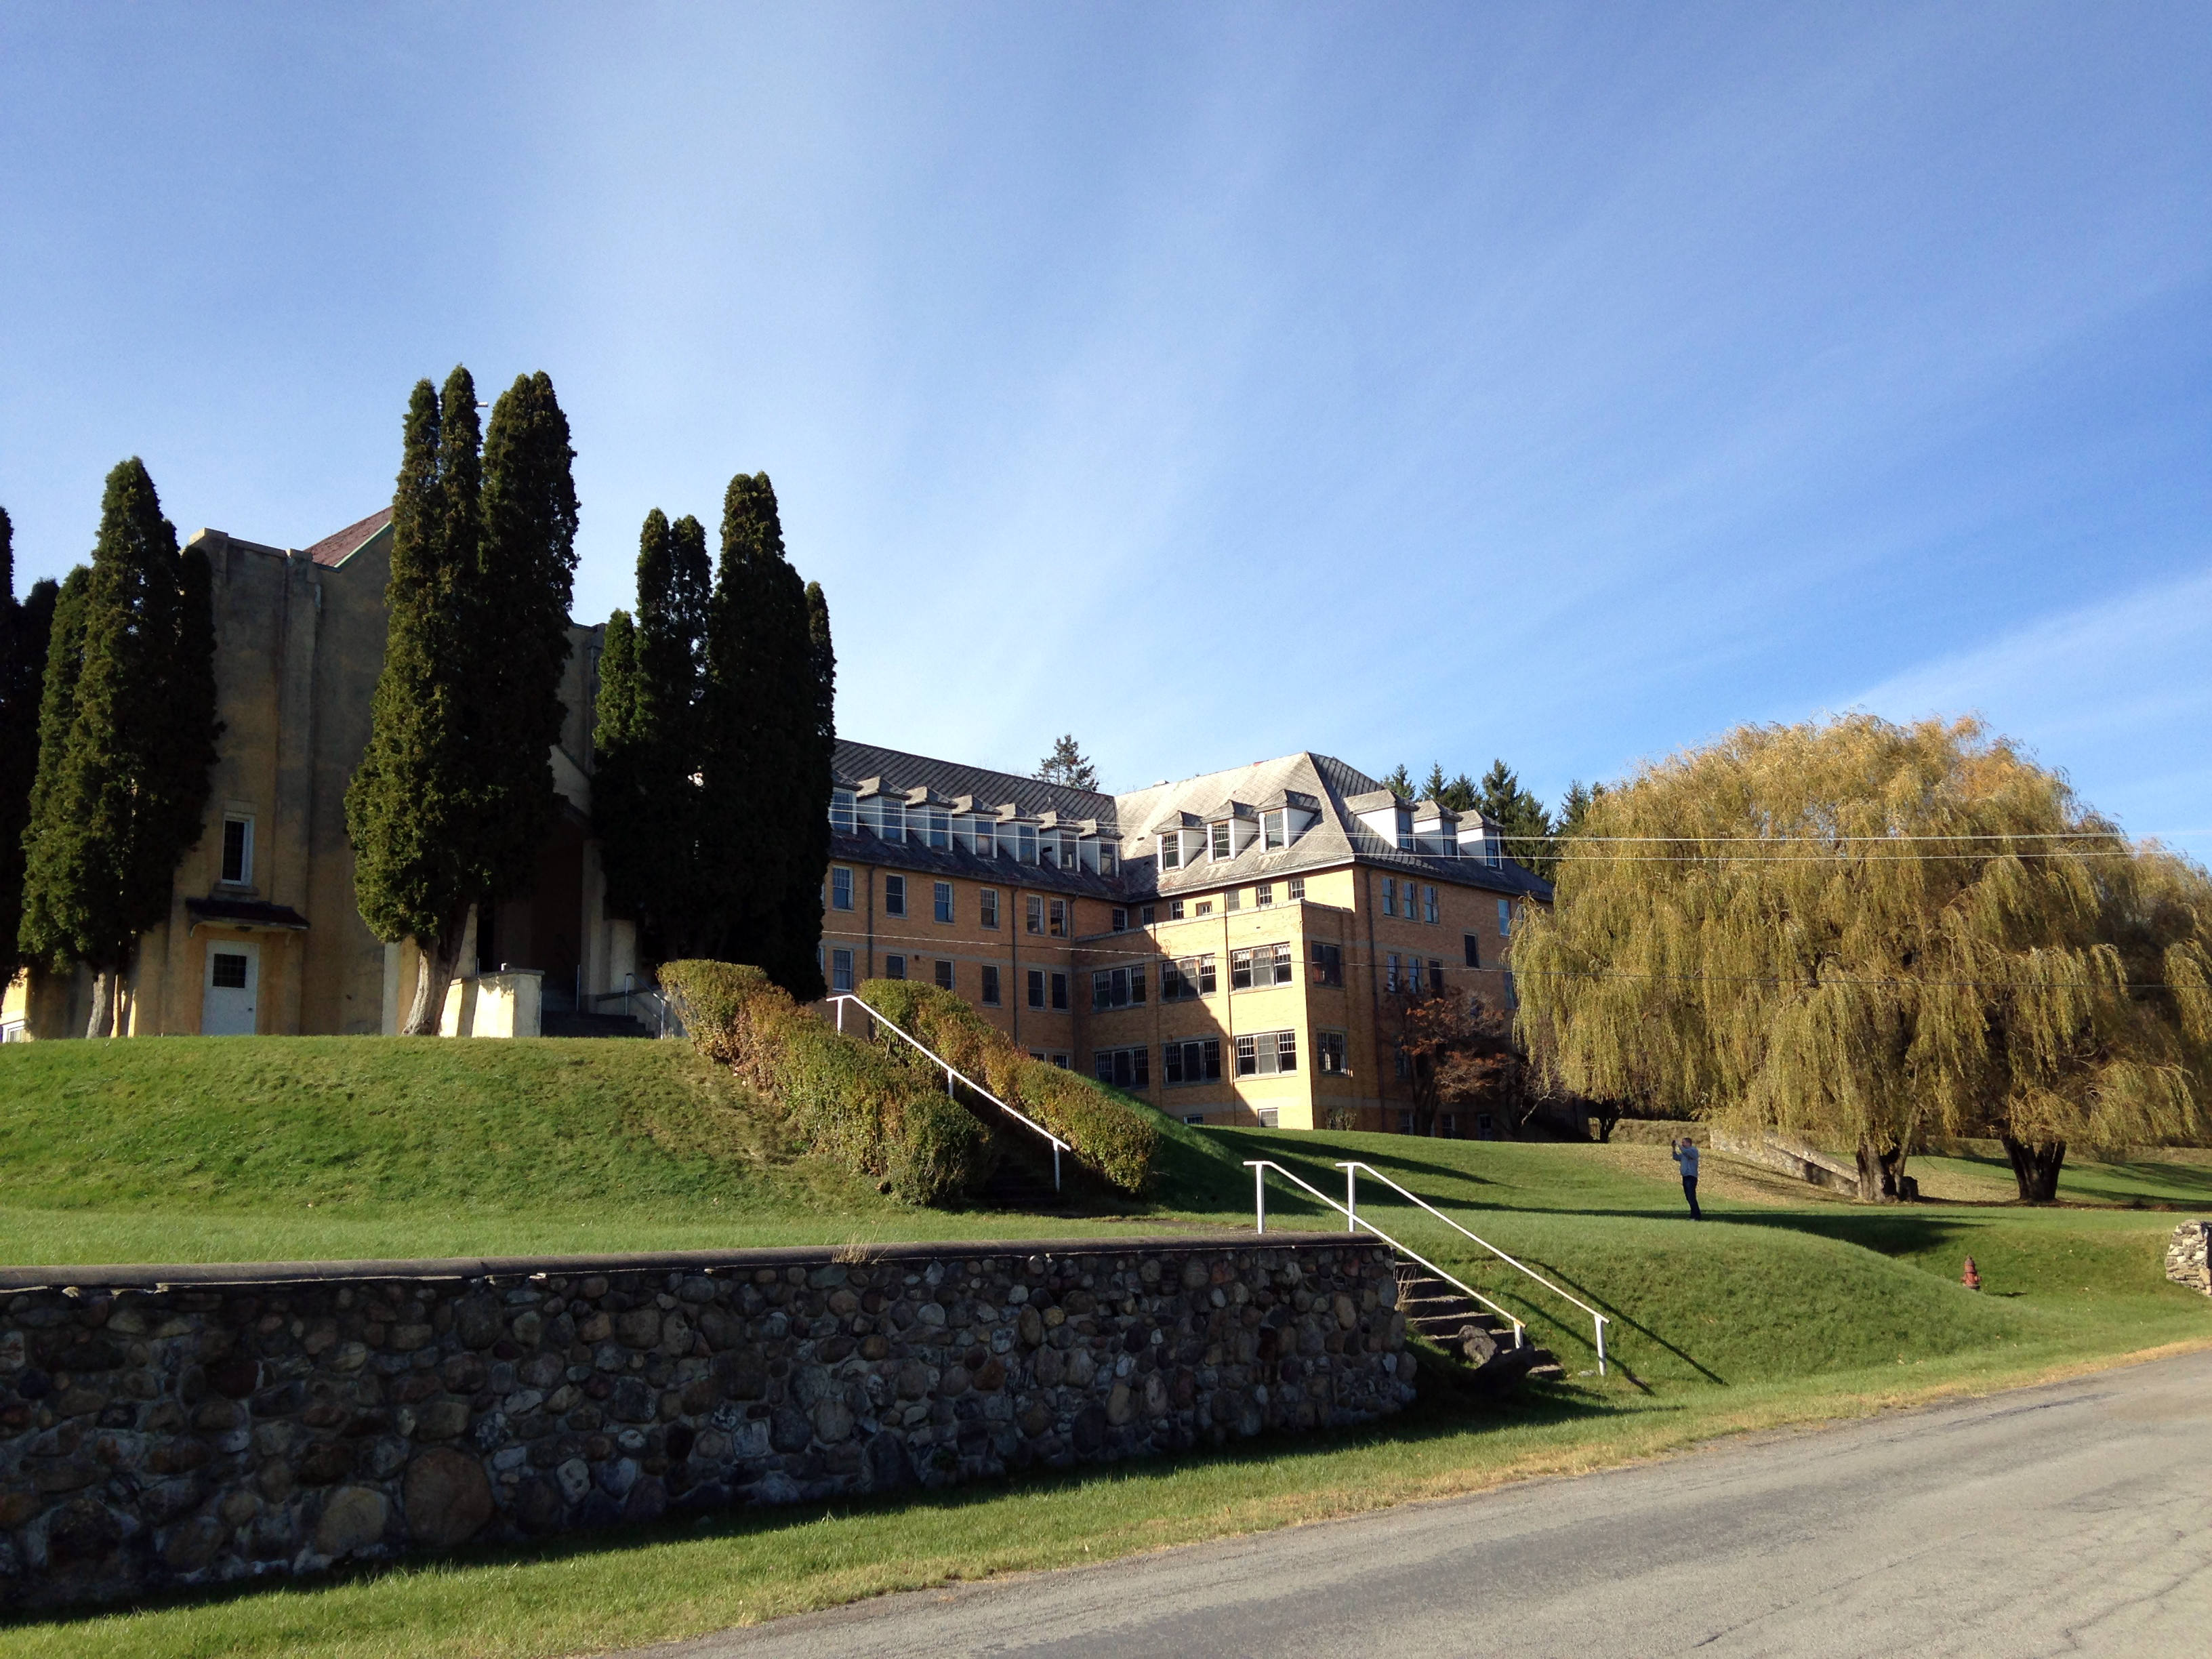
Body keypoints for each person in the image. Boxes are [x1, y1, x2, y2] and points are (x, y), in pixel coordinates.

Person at [1671, 1136, 1702, 1219]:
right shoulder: (1684, 1154)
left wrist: (1678, 1145)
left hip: (1691, 1177)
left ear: (1689, 1143)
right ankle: (1693, 1214)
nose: (1682, 1144)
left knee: (1691, 1196)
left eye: (1684, 1142)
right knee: (1688, 1197)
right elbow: (1676, 1158)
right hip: (1685, 1177)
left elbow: (1686, 1151)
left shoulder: (1693, 1151)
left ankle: (1697, 1215)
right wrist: (1674, 1148)